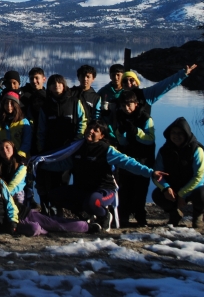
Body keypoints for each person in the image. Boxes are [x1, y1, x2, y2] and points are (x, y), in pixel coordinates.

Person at [32, 121, 167, 231]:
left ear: (102, 135)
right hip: (82, 188)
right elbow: (62, 164)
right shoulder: (77, 147)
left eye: (95, 130)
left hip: (104, 190)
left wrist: (150, 172)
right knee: (54, 195)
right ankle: (85, 215)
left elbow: (128, 163)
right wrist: (38, 163)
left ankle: (104, 216)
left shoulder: (107, 150)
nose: (91, 131)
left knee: (93, 201)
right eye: (90, 128)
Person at [0, 140, 93, 236]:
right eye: (1, 149)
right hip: (7, 201)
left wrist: (2, 195)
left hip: (19, 201)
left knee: (54, 223)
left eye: (7, 147)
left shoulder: (22, 164)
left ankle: (87, 226)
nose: (4, 150)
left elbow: (15, 183)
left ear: (13, 148)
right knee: (41, 226)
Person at [35, 75, 86, 213]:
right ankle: (53, 209)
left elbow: (83, 122)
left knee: (65, 180)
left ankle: (67, 208)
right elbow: (41, 129)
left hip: (70, 149)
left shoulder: (74, 102)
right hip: (51, 150)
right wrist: (41, 149)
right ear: (49, 88)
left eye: (59, 83)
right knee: (51, 182)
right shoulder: (45, 106)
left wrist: (77, 140)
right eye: (52, 84)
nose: (56, 85)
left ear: (64, 85)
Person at [152, 117, 204, 230]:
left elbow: (200, 177)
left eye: (180, 133)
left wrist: (182, 194)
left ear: (186, 134)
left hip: (195, 186)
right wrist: (165, 188)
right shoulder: (164, 151)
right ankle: (174, 214)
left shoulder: (196, 149)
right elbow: (156, 174)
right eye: (173, 133)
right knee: (157, 194)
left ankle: (198, 216)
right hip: (174, 185)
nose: (176, 136)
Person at [110, 90, 156, 227]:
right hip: (126, 158)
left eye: (129, 105)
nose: (127, 108)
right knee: (124, 189)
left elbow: (150, 140)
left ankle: (140, 217)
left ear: (136, 104)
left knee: (140, 191)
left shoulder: (146, 118)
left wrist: (136, 131)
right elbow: (121, 141)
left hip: (143, 159)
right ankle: (123, 216)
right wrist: (122, 132)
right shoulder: (120, 117)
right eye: (124, 105)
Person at [0, 92, 32, 158]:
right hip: (3, 157)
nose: (9, 106)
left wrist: (19, 155)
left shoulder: (24, 122)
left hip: (20, 158)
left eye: (12, 103)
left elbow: (27, 142)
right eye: (6, 103)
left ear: (16, 105)